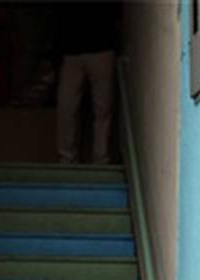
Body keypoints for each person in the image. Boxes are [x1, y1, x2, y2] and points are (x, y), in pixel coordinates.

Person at [55, 1, 121, 164]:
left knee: (76, 107)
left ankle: (72, 157)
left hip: (83, 48)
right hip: (95, 47)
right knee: (75, 107)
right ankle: (98, 157)